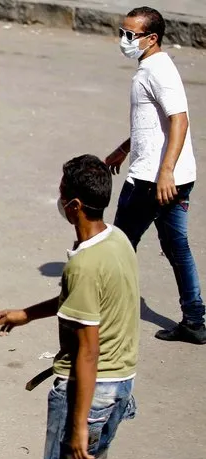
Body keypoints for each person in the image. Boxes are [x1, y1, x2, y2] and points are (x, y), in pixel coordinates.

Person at [0, 155, 139, 459]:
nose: (58, 199)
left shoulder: (83, 267)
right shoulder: (118, 241)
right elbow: (83, 301)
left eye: (61, 193)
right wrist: (27, 314)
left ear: (74, 205)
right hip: (120, 384)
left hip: (89, 392)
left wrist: (79, 425)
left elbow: (88, 350)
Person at [105, 6, 206, 345]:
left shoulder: (157, 71)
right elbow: (154, 125)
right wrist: (124, 148)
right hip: (167, 176)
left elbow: (179, 120)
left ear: (152, 38)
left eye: (130, 35)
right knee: (178, 248)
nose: (124, 40)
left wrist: (165, 173)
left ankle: (105, 315)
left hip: (151, 180)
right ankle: (194, 320)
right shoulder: (152, 66)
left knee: (118, 245)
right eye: (122, 32)